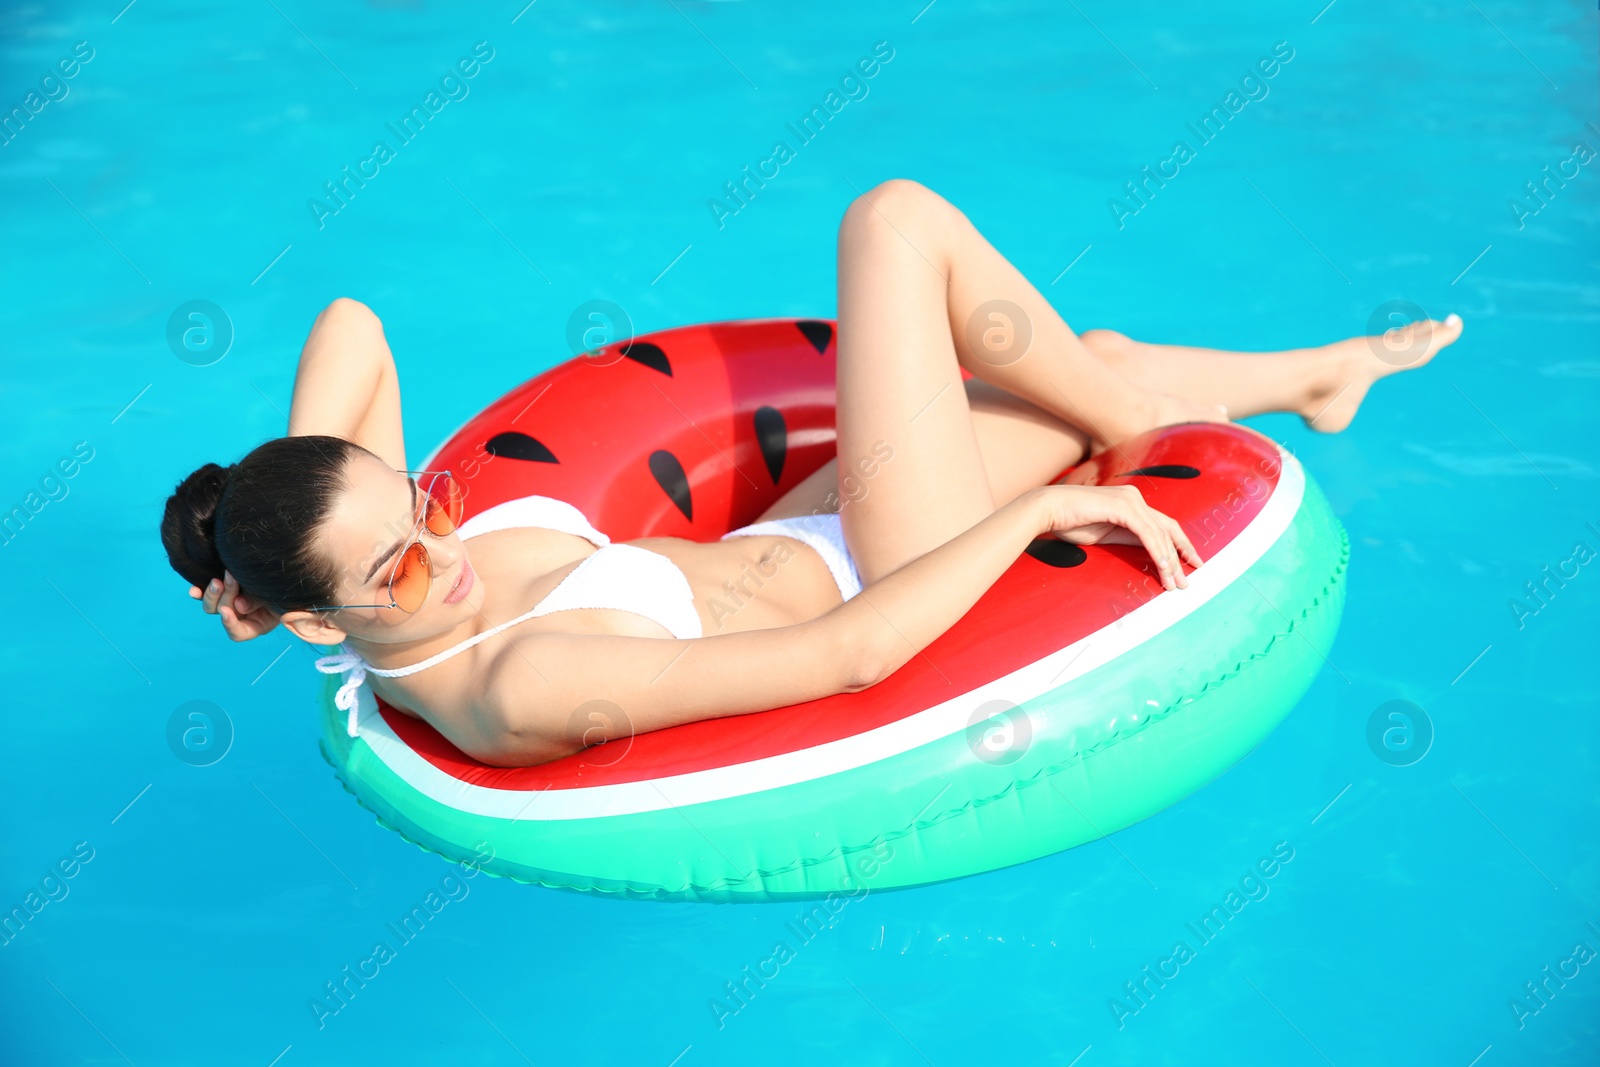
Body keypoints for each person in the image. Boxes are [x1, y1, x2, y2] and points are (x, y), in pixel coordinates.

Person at [160, 179, 1460, 767]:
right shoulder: (522, 677)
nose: (443, 545)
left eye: (426, 509)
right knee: (895, 226)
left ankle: (1316, 375)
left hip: (795, 522)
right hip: (876, 566)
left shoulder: (378, 568)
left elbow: (351, 326)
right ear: (332, 620)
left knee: (1084, 364)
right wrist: (1050, 517)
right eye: (401, 561)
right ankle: (1167, 425)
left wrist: (258, 562)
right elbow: (847, 660)